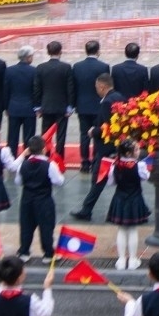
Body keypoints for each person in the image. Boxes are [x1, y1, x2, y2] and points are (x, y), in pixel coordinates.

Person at [70, 73, 121, 221]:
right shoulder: (119, 96)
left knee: (98, 180)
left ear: (102, 86)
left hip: (106, 148)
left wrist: (94, 131)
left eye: (97, 87)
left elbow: (108, 127)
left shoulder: (107, 102)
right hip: (116, 147)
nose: (96, 90)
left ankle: (86, 210)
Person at [11, 135, 64, 262]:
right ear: (44, 149)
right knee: (46, 226)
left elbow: (18, 182)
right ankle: (48, 254)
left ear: (28, 149)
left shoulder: (23, 165)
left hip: (27, 200)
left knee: (26, 225)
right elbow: (59, 181)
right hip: (44, 200)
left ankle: (24, 251)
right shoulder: (49, 165)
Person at [107, 137, 152, 270]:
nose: (139, 151)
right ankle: (132, 259)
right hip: (135, 199)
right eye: (136, 149)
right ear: (128, 153)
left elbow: (111, 183)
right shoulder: (139, 166)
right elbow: (146, 177)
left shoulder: (114, 165)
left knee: (121, 229)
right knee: (132, 230)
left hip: (120, 198)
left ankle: (121, 259)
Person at [72, 40, 110, 173]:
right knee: (97, 133)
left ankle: (84, 162)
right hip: (97, 106)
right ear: (98, 51)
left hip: (82, 105)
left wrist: (73, 104)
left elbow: (73, 87)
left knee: (84, 134)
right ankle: (95, 161)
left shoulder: (77, 66)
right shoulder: (103, 66)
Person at [34, 40, 75, 156]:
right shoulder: (66, 67)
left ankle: (45, 156)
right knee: (61, 135)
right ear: (60, 51)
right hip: (62, 107)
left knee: (46, 135)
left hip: (46, 106)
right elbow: (70, 89)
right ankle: (59, 157)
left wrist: (37, 107)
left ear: (48, 52)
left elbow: (37, 89)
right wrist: (70, 107)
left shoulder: (41, 68)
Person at [4, 46, 37, 158]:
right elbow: (36, 91)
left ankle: (11, 158)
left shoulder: (9, 70)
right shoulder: (34, 71)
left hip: (13, 107)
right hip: (29, 108)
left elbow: (6, 90)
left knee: (12, 137)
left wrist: (6, 107)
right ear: (28, 57)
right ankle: (27, 158)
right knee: (29, 137)